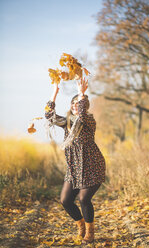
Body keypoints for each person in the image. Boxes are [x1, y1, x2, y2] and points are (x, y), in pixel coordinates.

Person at [45, 78, 106, 243]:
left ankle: (90, 231)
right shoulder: (67, 123)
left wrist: (81, 93)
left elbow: (82, 113)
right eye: (73, 103)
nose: (75, 105)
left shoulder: (88, 121)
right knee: (65, 200)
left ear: (84, 106)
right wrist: (55, 92)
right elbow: (49, 116)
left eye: (78, 103)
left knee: (84, 199)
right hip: (74, 168)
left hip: (92, 166)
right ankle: (81, 225)